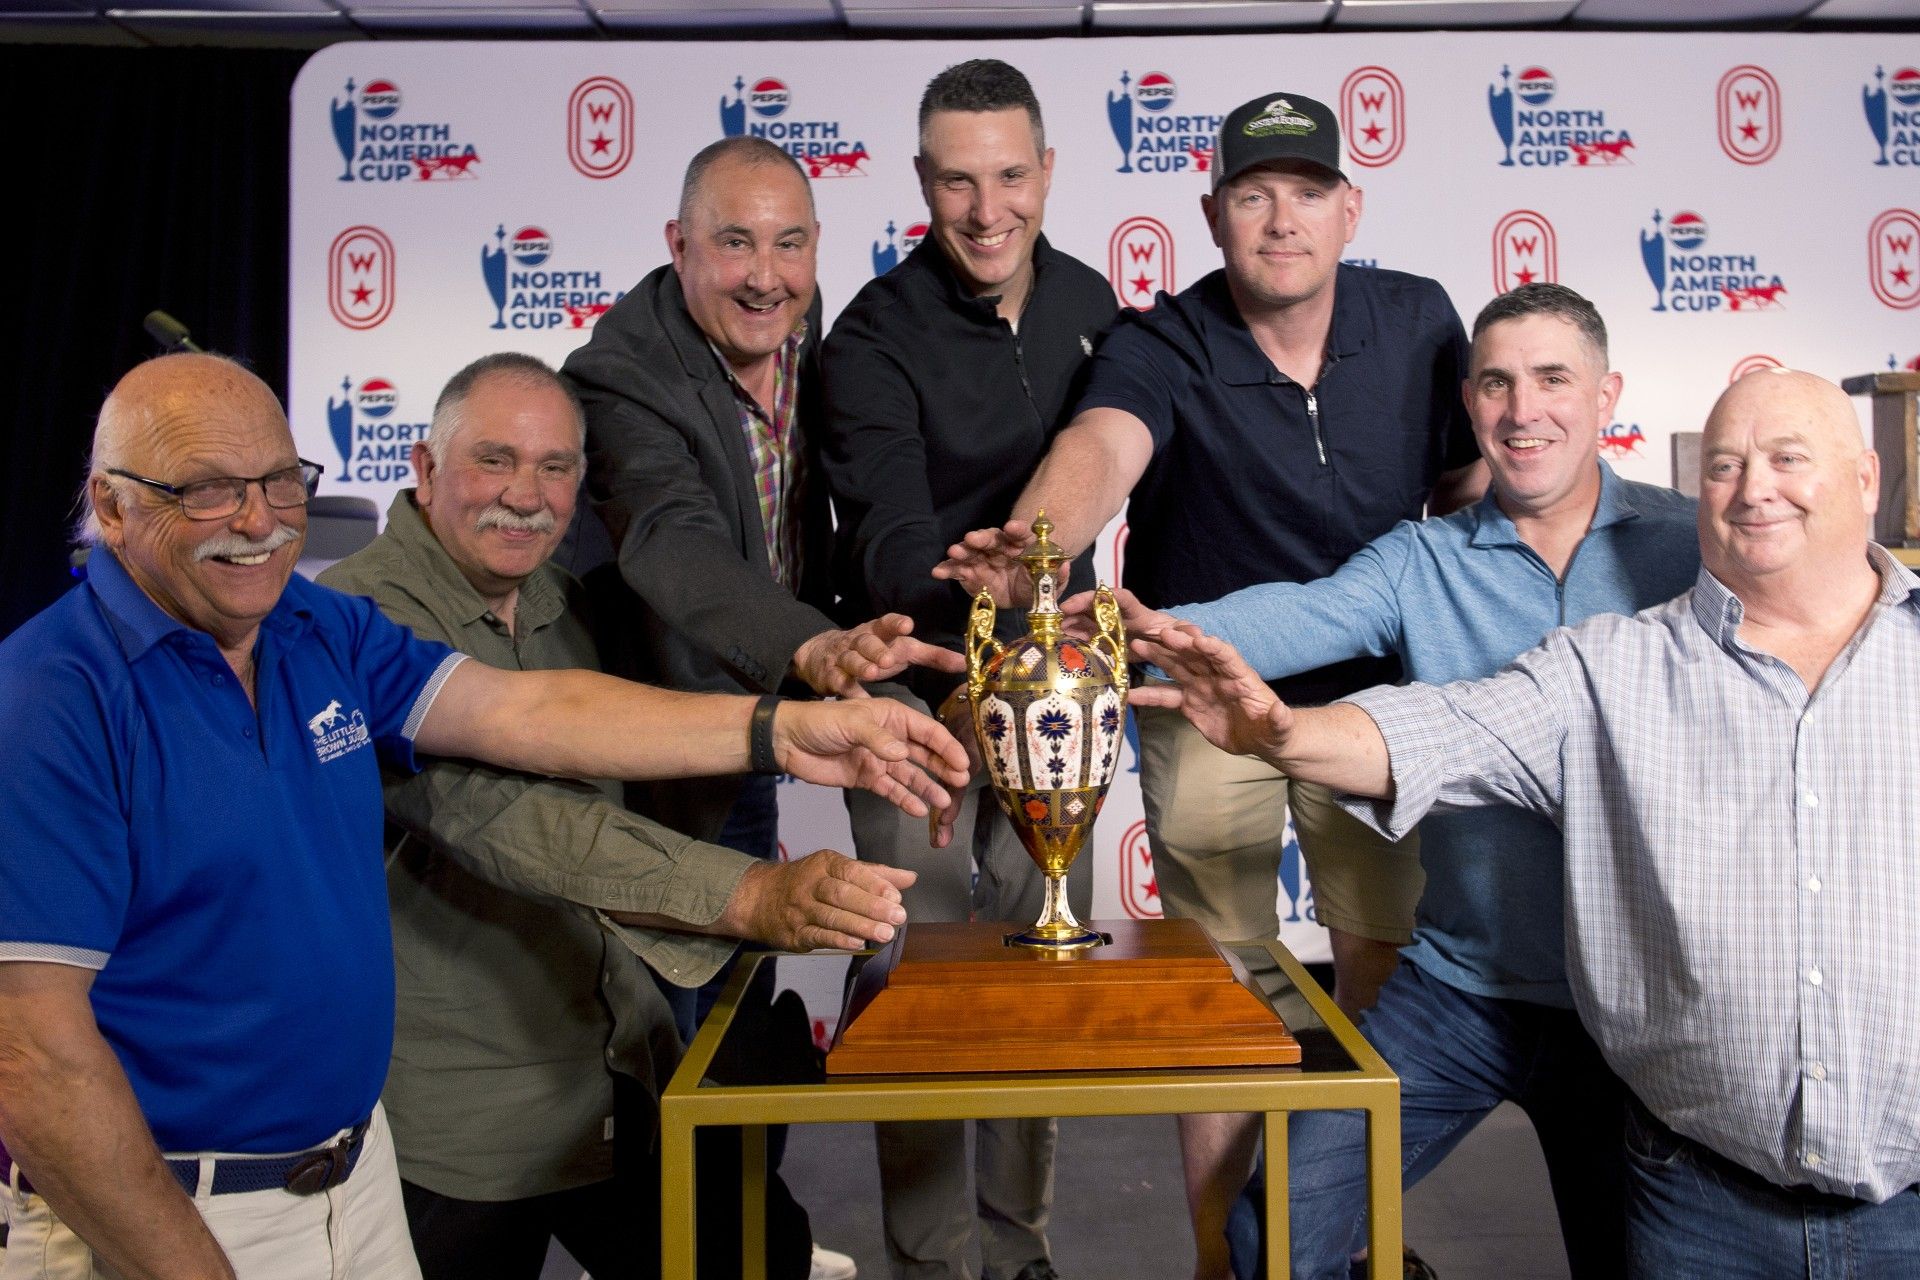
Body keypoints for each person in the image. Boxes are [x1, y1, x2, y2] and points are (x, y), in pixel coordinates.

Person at [0, 352, 968, 1280]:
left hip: (350, 1170)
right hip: (183, 1204)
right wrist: (746, 889)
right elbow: (31, 1054)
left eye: (277, 480)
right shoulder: (50, 695)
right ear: (112, 504)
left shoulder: (312, 626)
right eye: (205, 488)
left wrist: (783, 731)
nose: (256, 519)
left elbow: (523, 710)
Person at [1134, 367, 1920, 1279]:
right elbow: (1437, 727)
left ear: (1866, 479)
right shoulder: (1609, 662)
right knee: (1284, 1216)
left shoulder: (1661, 538)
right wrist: (1281, 730)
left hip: (1880, 1183)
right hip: (1683, 1170)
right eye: (1725, 466)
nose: (1753, 490)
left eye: (1789, 459)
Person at [937, 90, 1484, 1277]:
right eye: (1251, 195)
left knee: (1383, 978)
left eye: (1303, 193)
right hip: (1202, 703)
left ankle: (1347, 1244)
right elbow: (1104, 448)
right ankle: (1218, 1258)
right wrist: (1035, 542)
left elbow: (1466, 494)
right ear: (1213, 213)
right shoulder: (1164, 338)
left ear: (1349, 207)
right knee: (1220, 995)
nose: (1279, 220)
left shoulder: (1422, 320)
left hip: (1377, 709)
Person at [1077, 284, 1696, 1278]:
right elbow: (1294, 615)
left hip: (1627, 1009)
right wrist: (1135, 632)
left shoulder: (1691, 546)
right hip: (1456, 992)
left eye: (1552, 379)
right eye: (1496, 382)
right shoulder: (1421, 560)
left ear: (1607, 393)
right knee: (1272, 1227)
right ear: (1468, 401)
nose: (1522, 408)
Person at [317, 353, 914, 1279]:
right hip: (459, 1129)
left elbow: (663, 748)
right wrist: (749, 893)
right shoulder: (351, 616)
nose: (527, 494)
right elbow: (508, 816)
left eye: (556, 467)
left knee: (763, 1253)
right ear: (425, 470)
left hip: (619, 1071)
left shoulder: (572, 606)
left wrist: (821, 673)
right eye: (495, 460)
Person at [816, 59, 1116, 1280]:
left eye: (1009, 175)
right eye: (957, 180)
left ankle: (1020, 1244)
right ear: (921, 185)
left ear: (1045, 173)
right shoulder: (874, 332)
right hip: (912, 691)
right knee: (920, 975)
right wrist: (982, 587)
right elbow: (885, 542)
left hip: (1055, 700)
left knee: (1041, 964)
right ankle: (935, 1261)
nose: (987, 208)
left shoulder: (1092, 299)